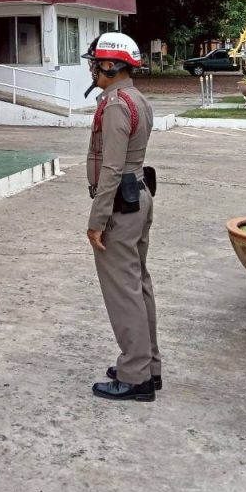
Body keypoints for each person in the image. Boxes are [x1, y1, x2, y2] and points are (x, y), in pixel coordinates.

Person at [83, 32, 161, 403]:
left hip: (120, 204)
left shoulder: (116, 105)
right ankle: (147, 366)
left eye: (96, 63)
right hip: (138, 195)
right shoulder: (137, 98)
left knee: (124, 291)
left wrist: (96, 220)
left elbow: (112, 168)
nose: (93, 70)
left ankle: (135, 376)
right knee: (138, 285)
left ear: (112, 66)